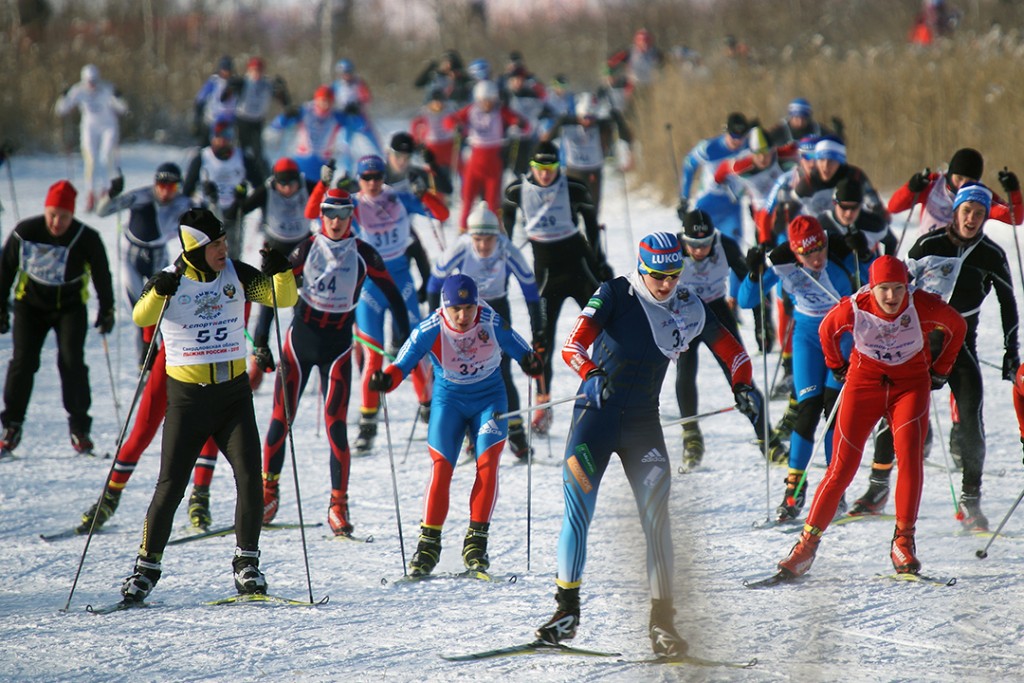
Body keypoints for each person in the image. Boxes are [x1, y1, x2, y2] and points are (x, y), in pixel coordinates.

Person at [534, 232, 762, 657]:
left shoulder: (688, 305)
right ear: (642, 268)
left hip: (643, 425)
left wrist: (743, 385)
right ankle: (566, 610)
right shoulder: (616, 293)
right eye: (657, 275)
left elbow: (732, 349)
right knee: (578, 510)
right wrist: (591, 373)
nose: (665, 284)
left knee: (657, 521)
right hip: (594, 419)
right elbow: (573, 345)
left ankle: (662, 624)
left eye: (673, 275)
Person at [118, 207, 297, 604]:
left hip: (232, 396)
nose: (224, 248)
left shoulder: (235, 272)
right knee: (170, 487)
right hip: (187, 400)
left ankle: (247, 564)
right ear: (196, 247)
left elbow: (281, 298)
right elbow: (139, 314)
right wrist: (161, 289)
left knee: (250, 477)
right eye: (215, 243)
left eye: (225, 241)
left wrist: (282, 270)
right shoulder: (172, 279)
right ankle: (146, 568)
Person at [776, 256, 966, 578]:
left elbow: (957, 326)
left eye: (898, 289)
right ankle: (805, 547)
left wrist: (941, 370)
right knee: (841, 467)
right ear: (872, 288)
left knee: (909, 457)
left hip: (909, 386)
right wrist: (836, 365)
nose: (892, 298)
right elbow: (827, 330)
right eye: (884, 290)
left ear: (907, 286)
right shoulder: (856, 305)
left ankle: (903, 541)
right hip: (864, 385)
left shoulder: (921, 304)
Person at [369, 273, 542, 576]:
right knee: (441, 467)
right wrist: (386, 380)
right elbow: (402, 365)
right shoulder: (430, 327)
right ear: (444, 307)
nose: (463, 316)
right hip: (448, 402)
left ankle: (476, 542)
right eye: (456, 309)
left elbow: (521, 351)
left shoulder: (490, 320)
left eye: (469, 308)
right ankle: (428, 545)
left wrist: (531, 362)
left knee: (486, 464)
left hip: (489, 400)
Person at [261, 189, 409, 536]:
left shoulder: (364, 253)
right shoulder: (307, 247)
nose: (337, 221)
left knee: (336, 427)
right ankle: (268, 492)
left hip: (339, 347)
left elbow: (395, 298)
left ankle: (338, 504)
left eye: (343, 214)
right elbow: (272, 292)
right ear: (322, 216)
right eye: (330, 214)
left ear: (351, 216)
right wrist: (262, 344)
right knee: (281, 420)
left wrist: (401, 340)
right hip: (300, 344)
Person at [899, 183, 1018, 531]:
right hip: (920, 342)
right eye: (966, 211)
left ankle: (972, 501)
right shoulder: (928, 244)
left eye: (979, 214)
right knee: (896, 413)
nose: (971, 219)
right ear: (955, 211)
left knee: (971, 415)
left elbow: (1009, 306)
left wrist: (1013, 354)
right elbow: (897, 289)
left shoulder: (991, 254)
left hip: (961, 345)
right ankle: (877, 487)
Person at [306, 154, 442, 454]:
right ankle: (368, 426)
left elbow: (440, 214)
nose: (372, 183)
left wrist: (424, 192)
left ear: (384, 176)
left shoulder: (398, 198)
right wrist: (323, 183)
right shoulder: (350, 204)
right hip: (370, 285)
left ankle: (429, 407)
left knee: (414, 348)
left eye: (377, 176)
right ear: (358, 178)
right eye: (366, 178)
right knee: (372, 355)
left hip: (401, 280)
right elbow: (313, 213)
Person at [740, 216, 865, 522]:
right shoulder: (782, 264)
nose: (817, 258)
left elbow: (879, 278)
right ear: (796, 253)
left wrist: (866, 251)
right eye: (808, 254)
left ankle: (835, 491)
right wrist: (754, 272)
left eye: (820, 248)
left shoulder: (838, 254)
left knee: (832, 413)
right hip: (808, 339)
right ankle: (794, 489)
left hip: (842, 336)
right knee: (807, 410)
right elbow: (745, 299)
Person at [502, 142, 611, 434]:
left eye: (551, 170)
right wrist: (504, 262)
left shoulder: (574, 187)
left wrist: (600, 263)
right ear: (532, 169)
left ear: (558, 168)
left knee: (607, 327)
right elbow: (506, 233)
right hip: (547, 274)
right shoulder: (517, 191)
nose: (545, 176)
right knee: (542, 340)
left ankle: (614, 389)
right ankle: (543, 403)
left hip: (579, 266)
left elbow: (591, 223)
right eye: (540, 170)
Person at [0, 181, 114, 457]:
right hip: (30, 306)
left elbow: (102, 274)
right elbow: (6, 269)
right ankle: (11, 426)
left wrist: (107, 309)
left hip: (70, 307)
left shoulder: (86, 238)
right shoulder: (26, 232)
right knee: (23, 361)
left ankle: (80, 428)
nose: (56, 222)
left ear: (72, 215)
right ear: (45, 210)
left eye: (63, 216)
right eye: (52, 214)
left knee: (71, 361)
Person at [426, 201, 544, 459]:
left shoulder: (507, 249)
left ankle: (516, 435)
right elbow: (434, 283)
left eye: (488, 239)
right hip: (463, 312)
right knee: (463, 370)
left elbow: (531, 292)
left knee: (502, 371)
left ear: (497, 235)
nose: (482, 245)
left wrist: (538, 332)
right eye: (478, 239)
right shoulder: (461, 246)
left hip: (496, 310)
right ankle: (470, 435)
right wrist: (434, 321)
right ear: (470, 236)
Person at [675, 209, 787, 468]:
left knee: (740, 374)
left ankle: (766, 439)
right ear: (684, 239)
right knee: (685, 370)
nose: (699, 250)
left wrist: (762, 325)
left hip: (716, 312)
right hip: (684, 314)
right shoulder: (674, 248)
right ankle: (691, 436)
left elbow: (753, 282)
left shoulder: (725, 244)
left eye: (705, 244)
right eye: (693, 244)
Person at [227, 157, 317, 385]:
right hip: (274, 254)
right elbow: (236, 212)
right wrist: (238, 199)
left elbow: (332, 196)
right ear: (275, 181)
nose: (287, 189)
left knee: (302, 305)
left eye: (292, 184)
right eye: (282, 184)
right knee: (268, 306)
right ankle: (259, 356)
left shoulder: (308, 185)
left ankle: (299, 355)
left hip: (303, 252)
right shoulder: (266, 191)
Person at [96, 162, 197, 366]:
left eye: (172, 187)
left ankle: (165, 358)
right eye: (161, 184)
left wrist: (211, 198)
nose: (165, 191)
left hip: (158, 254)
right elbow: (102, 211)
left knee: (162, 310)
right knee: (140, 313)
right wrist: (112, 193)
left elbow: (210, 221)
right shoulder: (142, 196)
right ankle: (145, 358)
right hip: (131, 256)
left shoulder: (184, 203)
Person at [445, 80, 530, 231]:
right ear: (478, 99)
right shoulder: (471, 110)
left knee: (493, 201)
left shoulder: (501, 111)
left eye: (490, 101)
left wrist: (519, 123)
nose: (487, 104)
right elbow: (449, 120)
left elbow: (522, 123)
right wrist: (456, 126)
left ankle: (495, 229)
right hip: (474, 161)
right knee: (467, 198)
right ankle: (463, 229)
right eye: (484, 101)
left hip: (493, 161)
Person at [541, 91, 633, 220]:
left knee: (592, 210)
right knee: (571, 208)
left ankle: (592, 235)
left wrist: (618, 119)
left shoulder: (600, 126)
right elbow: (546, 140)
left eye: (591, 118)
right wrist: (559, 122)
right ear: (579, 115)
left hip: (594, 170)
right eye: (585, 118)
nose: (588, 122)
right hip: (573, 170)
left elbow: (627, 138)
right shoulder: (568, 125)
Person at [887, 148, 1021, 235]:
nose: (963, 184)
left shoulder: (979, 194)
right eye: (959, 178)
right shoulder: (933, 184)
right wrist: (911, 188)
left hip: (961, 258)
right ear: (950, 174)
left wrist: (1013, 191)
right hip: (927, 254)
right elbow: (894, 207)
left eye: (969, 180)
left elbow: (1015, 218)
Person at [182, 116, 263, 260]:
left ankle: (232, 281)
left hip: (233, 213)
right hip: (207, 213)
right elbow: (187, 190)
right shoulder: (202, 157)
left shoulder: (242, 157)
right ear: (212, 137)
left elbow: (260, 187)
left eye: (227, 136)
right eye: (218, 136)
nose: (223, 140)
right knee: (207, 256)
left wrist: (244, 200)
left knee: (232, 257)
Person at [54, 64, 128, 212]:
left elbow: (123, 108)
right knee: (91, 160)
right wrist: (64, 96)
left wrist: (119, 97)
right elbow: (61, 109)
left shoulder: (107, 89)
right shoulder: (78, 90)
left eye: (94, 81)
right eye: (89, 82)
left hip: (108, 126)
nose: (92, 85)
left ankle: (106, 190)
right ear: (84, 80)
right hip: (90, 127)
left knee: (106, 158)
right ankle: (90, 194)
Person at [677, 112, 752, 250]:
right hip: (708, 203)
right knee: (698, 246)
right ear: (726, 132)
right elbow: (688, 164)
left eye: (741, 137)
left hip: (732, 205)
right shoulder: (709, 147)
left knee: (733, 250)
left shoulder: (749, 147)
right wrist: (684, 198)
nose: (737, 142)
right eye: (733, 136)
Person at [267, 85, 353, 180]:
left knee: (317, 191)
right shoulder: (305, 111)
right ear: (317, 99)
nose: (326, 104)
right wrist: (286, 116)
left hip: (322, 162)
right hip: (302, 159)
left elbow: (357, 125)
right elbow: (277, 125)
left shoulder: (336, 116)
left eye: (329, 101)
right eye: (323, 100)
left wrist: (354, 112)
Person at [792, 136, 886, 220]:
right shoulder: (808, 183)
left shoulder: (854, 176)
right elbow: (787, 218)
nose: (825, 166)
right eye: (821, 160)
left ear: (840, 162)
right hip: (818, 233)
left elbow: (876, 208)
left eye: (831, 161)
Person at [234, 56, 290, 179]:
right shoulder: (245, 81)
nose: (256, 73)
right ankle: (240, 174)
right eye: (254, 70)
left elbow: (283, 100)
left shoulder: (267, 83)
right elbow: (228, 94)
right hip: (242, 119)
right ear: (249, 70)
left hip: (257, 121)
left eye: (259, 70)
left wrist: (282, 91)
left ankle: (262, 176)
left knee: (257, 151)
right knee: (241, 150)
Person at [331, 59, 384, 161]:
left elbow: (367, 98)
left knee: (373, 140)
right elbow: (330, 100)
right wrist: (339, 109)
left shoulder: (359, 83)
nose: (346, 76)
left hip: (359, 117)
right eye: (343, 73)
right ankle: (347, 169)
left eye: (348, 72)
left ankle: (383, 159)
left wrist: (359, 105)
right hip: (345, 118)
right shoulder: (336, 85)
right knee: (345, 145)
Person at [192, 55, 237, 145]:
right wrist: (197, 117)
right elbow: (201, 98)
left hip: (227, 122)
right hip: (212, 119)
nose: (226, 72)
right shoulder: (214, 81)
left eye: (228, 70)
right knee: (207, 144)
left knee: (225, 145)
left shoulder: (235, 83)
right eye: (224, 69)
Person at [765, 97, 840, 148]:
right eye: (797, 118)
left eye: (803, 118)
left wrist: (838, 133)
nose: (800, 122)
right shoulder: (781, 129)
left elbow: (836, 144)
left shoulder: (816, 129)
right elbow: (764, 142)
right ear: (791, 117)